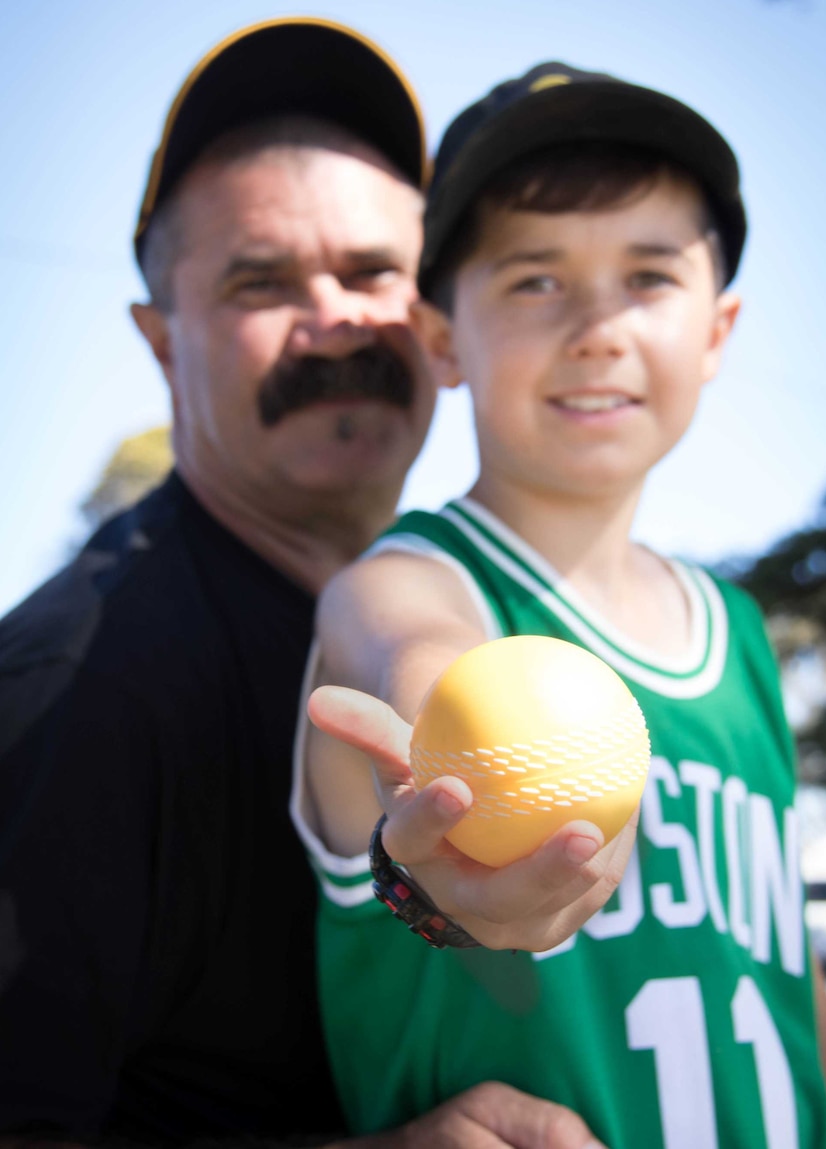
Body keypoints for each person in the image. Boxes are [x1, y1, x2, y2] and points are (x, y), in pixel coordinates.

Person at [0, 21, 621, 1149]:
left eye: (373, 270)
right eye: (260, 280)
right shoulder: (77, 692)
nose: (335, 316)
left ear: (433, 324)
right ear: (159, 338)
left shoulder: (505, 620)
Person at [299, 61, 826, 1148]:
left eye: (649, 276)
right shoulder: (412, 579)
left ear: (717, 329)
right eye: (534, 280)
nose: (598, 327)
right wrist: (455, 778)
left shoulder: (739, 635)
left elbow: (796, 999)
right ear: (441, 336)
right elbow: (408, 645)